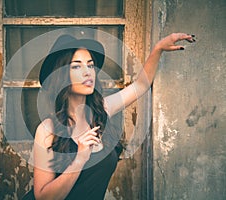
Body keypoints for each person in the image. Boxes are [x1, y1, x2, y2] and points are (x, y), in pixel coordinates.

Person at [28, 32, 195, 200]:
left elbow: (141, 85)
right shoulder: (47, 131)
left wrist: (158, 48)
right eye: (77, 66)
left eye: (90, 65)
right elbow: (43, 197)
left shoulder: (101, 111)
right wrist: (79, 160)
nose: (88, 72)